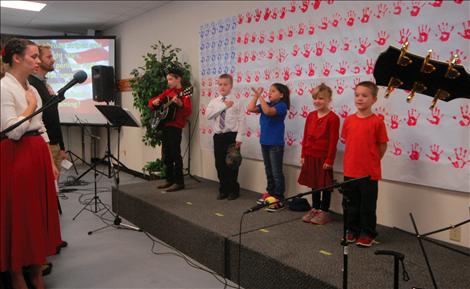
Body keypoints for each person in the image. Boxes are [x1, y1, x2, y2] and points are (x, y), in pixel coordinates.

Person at [1, 38, 62, 289]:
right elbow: (12, 130)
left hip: (36, 154)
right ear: (17, 58)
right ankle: (16, 273)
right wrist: (31, 107)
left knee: (37, 214)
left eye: (39, 56)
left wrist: (50, 160)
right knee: (20, 214)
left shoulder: (32, 87)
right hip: (17, 155)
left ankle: (36, 269)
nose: (38, 61)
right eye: (34, 56)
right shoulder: (4, 87)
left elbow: (42, 128)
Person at [340, 81, 388, 247]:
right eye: (357, 95)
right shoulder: (349, 120)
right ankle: (352, 230)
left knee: (367, 207)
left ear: (374, 99)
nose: (360, 98)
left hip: (369, 173)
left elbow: (382, 145)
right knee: (350, 205)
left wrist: (372, 161)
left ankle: (368, 233)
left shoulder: (377, 122)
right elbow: (349, 141)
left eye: (364, 95)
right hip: (350, 171)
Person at [298, 83, 340, 225]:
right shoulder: (310, 116)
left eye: (321, 98)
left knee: (324, 185)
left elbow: (333, 142)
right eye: (315, 98)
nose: (317, 101)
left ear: (329, 100)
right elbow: (305, 137)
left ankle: (324, 211)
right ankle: (315, 208)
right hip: (310, 155)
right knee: (314, 183)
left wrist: (329, 160)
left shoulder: (333, 118)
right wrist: (303, 155)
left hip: (323, 157)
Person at [247, 83, 290, 212]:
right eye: (269, 91)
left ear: (281, 95)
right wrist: (256, 96)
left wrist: (260, 97)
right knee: (269, 170)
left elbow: (268, 112)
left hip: (275, 144)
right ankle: (270, 193)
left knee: (276, 172)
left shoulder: (281, 106)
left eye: (273, 91)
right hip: (264, 142)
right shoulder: (266, 104)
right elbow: (250, 108)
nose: (269, 93)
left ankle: (279, 198)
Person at [148, 67, 192, 192]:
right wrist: (154, 102)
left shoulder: (185, 93)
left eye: (171, 79)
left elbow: (188, 111)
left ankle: (179, 182)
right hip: (165, 126)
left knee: (175, 154)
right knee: (166, 154)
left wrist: (180, 104)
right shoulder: (168, 92)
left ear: (179, 79)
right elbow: (151, 102)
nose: (169, 82)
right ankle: (169, 179)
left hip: (176, 126)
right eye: (168, 79)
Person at [206, 74, 245, 200]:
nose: (222, 87)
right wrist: (224, 106)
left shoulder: (237, 102)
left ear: (231, 86)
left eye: (225, 84)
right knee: (219, 164)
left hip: (231, 136)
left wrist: (239, 137)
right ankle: (223, 189)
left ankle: (233, 190)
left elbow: (241, 120)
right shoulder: (214, 102)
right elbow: (209, 115)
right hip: (218, 136)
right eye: (220, 84)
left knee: (232, 164)